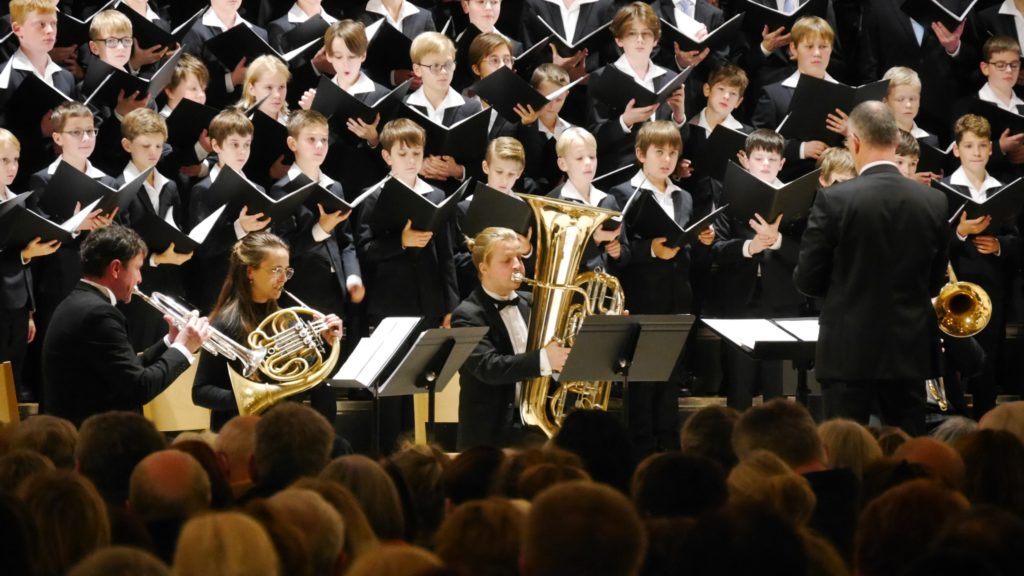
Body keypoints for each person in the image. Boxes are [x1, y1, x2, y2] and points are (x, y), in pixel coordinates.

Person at [794, 100, 949, 436]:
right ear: (896, 143)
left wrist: (844, 289)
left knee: (846, 451)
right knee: (904, 451)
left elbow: (807, 278)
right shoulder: (934, 202)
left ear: (855, 142)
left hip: (848, 351)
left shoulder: (834, 199)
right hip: (908, 351)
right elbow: (935, 283)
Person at [608, 120, 714, 455]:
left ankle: (668, 451)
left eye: (672, 152)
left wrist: (703, 241)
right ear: (641, 154)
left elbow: (688, 253)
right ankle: (640, 453)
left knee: (669, 380)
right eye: (659, 152)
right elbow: (618, 253)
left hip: (677, 298)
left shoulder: (682, 195)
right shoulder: (624, 195)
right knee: (641, 383)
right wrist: (650, 249)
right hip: (641, 298)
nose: (666, 159)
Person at [41, 225, 210, 425]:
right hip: (96, 438)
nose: (140, 279)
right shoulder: (98, 314)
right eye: (137, 268)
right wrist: (184, 348)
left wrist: (170, 342)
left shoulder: (79, 301)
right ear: (115, 268)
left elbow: (125, 370)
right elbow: (140, 387)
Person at [192, 232, 342, 430]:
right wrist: (252, 397)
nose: (283, 279)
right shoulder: (225, 324)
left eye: (287, 271)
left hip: (282, 430)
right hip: (240, 433)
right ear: (250, 272)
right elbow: (201, 392)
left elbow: (306, 385)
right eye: (275, 270)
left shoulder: (286, 321)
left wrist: (326, 344)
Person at [451, 227, 570, 450]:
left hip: (537, 427)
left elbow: (559, 354)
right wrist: (544, 360)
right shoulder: (467, 315)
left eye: (519, 257)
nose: (517, 265)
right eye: (507, 260)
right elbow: (489, 367)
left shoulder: (533, 302)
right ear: (483, 268)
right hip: (490, 437)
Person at [943, 114, 1018, 419]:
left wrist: (1000, 246)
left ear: (990, 150)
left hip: (991, 288)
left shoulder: (1003, 189)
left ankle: (986, 428)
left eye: (982, 146)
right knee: (954, 365)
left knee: (987, 364)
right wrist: (961, 233)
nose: (976, 152)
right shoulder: (945, 190)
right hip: (955, 288)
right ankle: (954, 424)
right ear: (957, 150)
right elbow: (934, 244)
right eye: (969, 145)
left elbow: (1017, 239)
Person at [116, 108, 194, 352]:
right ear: (127, 145)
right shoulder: (120, 188)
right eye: (146, 146)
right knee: (141, 352)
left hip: (169, 285)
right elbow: (120, 243)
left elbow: (176, 226)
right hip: (137, 291)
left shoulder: (169, 186)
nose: (153, 153)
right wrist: (155, 259)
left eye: (159, 146)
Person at [0, 128, 60, 401]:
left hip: (18, 307)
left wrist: (30, 311)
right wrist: (24, 254)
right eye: (4, 160)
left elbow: (25, 266)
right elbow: (18, 255)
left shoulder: (15, 201)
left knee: (13, 378)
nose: (12, 167)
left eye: (15, 160)